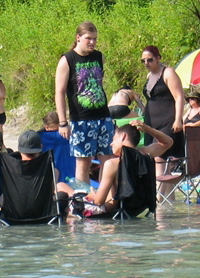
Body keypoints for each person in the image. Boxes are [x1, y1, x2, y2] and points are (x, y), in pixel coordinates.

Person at [57, 121, 173, 215]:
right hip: (139, 209)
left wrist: (92, 194)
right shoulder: (144, 154)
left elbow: (98, 202)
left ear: (123, 136)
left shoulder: (112, 163)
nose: (111, 143)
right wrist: (148, 129)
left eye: (113, 139)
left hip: (106, 210)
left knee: (60, 186)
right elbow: (168, 143)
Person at [54, 21, 114, 185]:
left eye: (95, 39)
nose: (92, 42)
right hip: (81, 119)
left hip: (103, 115)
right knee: (83, 163)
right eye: (89, 38)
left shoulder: (99, 56)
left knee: (108, 161)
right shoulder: (67, 60)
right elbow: (59, 92)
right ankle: (84, 202)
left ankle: (106, 199)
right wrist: (62, 122)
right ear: (78, 38)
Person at [141, 45, 186, 161]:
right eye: (143, 60)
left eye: (149, 60)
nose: (146, 63)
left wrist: (178, 119)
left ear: (158, 58)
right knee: (150, 154)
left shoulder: (168, 73)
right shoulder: (149, 76)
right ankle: (156, 179)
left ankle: (165, 178)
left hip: (167, 120)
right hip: (151, 122)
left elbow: (179, 96)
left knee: (160, 154)